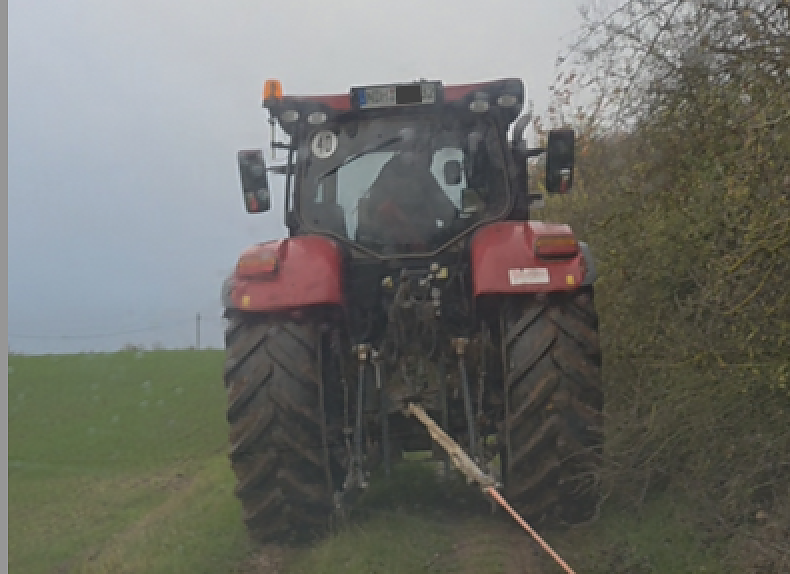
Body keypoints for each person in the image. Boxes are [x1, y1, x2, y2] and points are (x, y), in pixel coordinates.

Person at [364, 133, 457, 249]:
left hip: (413, 248)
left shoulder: (417, 175)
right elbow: (444, 209)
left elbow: (446, 211)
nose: (427, 157)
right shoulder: (417, 177)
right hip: (395, 250)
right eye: (423, 152)